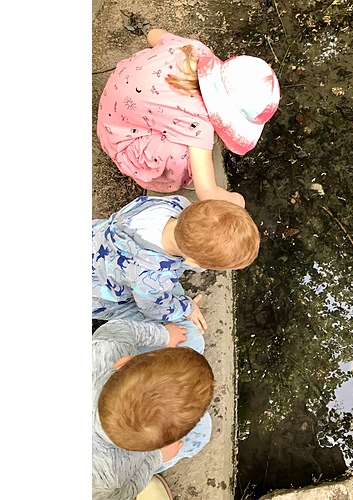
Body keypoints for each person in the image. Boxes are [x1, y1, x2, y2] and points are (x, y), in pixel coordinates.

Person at [96, 28, 281, 208]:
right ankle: (162, 181)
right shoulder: (198, 123)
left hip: (116, 100)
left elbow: (154, 34)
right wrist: (237, 200)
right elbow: (207, 192)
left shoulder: (196, 50)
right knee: (183, 158)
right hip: (120, 138)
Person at [92, 195, 260, 342]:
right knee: (186, 333)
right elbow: (154, 308)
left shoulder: (174, 205)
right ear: (193, 262)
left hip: (97, 243)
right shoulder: (154, 280)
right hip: (101, 292)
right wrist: (187, 307)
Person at [92, 319, 215, 500]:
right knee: (203, 430)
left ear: (123, 363)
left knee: (193, 337)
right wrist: (155, 458)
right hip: (126, 464)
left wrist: (164, 335)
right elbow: (127, 491)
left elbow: (122, 328)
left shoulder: (107, 348)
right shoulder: (110, 479)